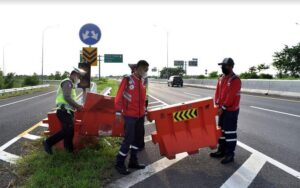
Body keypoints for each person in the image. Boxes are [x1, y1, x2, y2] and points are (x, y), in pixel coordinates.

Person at [115, 60, 149, 175]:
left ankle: (133, 161)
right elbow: (118, 96)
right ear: (137, 68)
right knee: (128, 140)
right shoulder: (128, 79)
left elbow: (143, 99)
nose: (145, 71)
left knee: (137, 140)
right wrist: (118, 112)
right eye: (144, 69)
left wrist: (145, 111)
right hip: (129, 115)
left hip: (140, 116)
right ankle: (119, 163)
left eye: (146, 69)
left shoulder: (143, 81)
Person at [43, 68, 86, 154]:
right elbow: (67, 97)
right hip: (63, 111)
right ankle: (48, 142)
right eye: (78, 77)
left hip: (68, 111)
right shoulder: (68, 82)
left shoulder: (71, 84)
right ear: (74, 75)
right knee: (67, 131)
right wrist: (78, 107)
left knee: (70, 132)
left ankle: (69, 151)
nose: (79, 79)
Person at [210, 57, 241, 164]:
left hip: (230, 111)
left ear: (231, 66)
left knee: (230, 133)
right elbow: (217, 93)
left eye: (225, 65)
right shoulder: (221, 78)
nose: (223, 67)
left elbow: (231, 96)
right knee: (222, 132)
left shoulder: (235, 79)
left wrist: (222, 108)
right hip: (221, 110)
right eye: (222, 65)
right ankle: (221, 151)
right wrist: (217, 106)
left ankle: (229, 154)